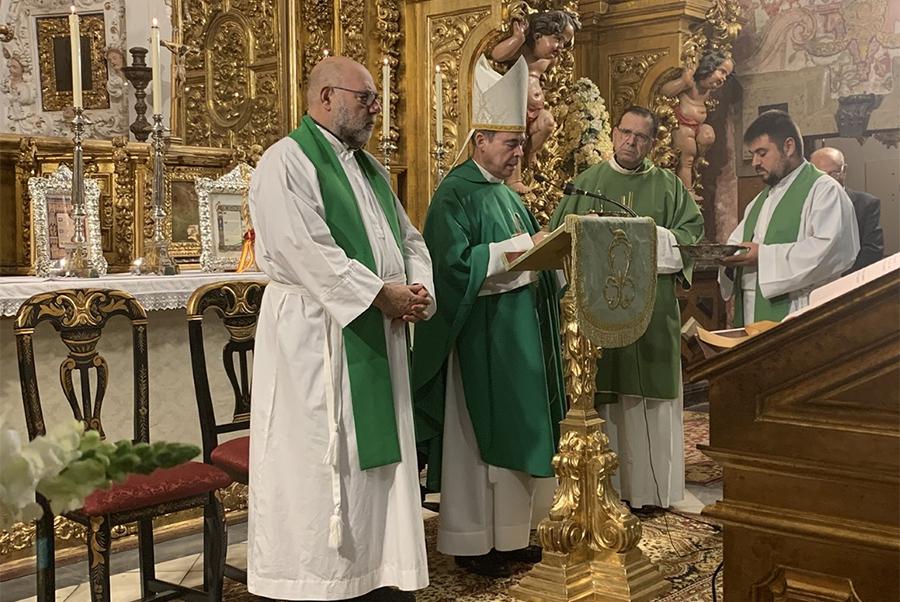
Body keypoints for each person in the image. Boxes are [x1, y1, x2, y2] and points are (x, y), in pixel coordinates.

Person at [247, 56, 433, 601]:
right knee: (320, 467)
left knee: (374, 473)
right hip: (316, 339)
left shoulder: (371, 170)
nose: (376, 108)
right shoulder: (285, 162)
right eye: (366, 97)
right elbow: (305, 250)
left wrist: (419, 291)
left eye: (376, 99)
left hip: (377, 330)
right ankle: (315, 582)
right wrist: (382, 295)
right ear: (327, 97)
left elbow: (410, 240)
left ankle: (377, 575)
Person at [412, 56, 566, 578]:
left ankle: (513, 535)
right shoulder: (454, 194)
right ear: (479, 140)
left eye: (521, 143)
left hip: (517, 336)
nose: (519, 152)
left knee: (521, 433)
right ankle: (475, 541)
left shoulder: (508, 194)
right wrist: (526, 248)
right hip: (478, 338)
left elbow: (531, 252)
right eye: (509, 143)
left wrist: (551, 253)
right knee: (477, 443)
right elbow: (452, 270)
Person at [549, 105, 704, 509]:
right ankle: (608, 490)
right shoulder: (586, 184)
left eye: (640, 136)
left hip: (653, 313)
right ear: (614, 133)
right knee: (608, 399)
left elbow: (688, 238)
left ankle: (653, 492)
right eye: (625, 132)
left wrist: (643, 237)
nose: (630, 142)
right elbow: (558, 241)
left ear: (651, 143)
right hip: (597, 312)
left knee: (649, 399)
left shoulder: (669, 186)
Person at [720, 110, 860, 326]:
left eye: (762, 153)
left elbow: (830, 250)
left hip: (800, 312)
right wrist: (725, 257)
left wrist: (763, 257)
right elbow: (737, 244)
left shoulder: (824, 190)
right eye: (753, 154)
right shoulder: (759, 201)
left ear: (789, 147)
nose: (755, 162)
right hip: (750, 312)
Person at [489, 9, 581, 192]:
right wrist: (518, 38)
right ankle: (514, 180)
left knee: (547, 123)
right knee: (516, 136)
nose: (561, 46)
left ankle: (531, 154)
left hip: (536, 109)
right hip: (515, 108)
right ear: (538, 35)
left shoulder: (547, 60)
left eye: (564, 42)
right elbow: (497, 55)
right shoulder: (522, 51)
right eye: (557, 39)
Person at [659, 48, 734, 196]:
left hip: (697, 126)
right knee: (687, 157)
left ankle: (693, 171)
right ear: (710, 66)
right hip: (682, 124)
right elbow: (665, 91)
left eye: (727, 75)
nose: (724, 78)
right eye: (722, 71)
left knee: (708, 135)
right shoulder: (691, 82)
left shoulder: (708, 90)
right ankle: (687, 192)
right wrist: (684, 81)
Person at [809, 146, 884, 273]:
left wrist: (839, 277)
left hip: (851, 282)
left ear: (844, 170)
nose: (828, 182)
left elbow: (873, 250)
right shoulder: (805, 205)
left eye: (833, 174)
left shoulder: (866, 204)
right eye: (820, 176)